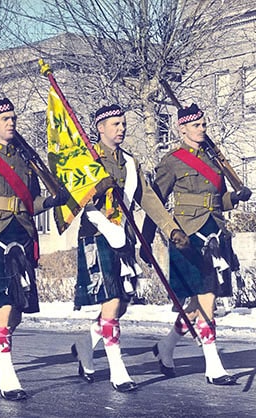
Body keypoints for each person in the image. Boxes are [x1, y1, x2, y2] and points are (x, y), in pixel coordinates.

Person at [70, 104, 189, 392]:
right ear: (100, 128)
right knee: (111, 303)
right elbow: (74, 199)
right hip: (96, 234)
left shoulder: (129, 162)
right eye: (115, 124)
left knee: (121, 304)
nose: (121, 128)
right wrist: (95, 189)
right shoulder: (87, 158)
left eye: (123, 123)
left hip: (125, 235)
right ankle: (117, 369)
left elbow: (147, 198)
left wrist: (170, 227)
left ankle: (86, 344)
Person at [140, 103, 252, 386]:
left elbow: (219, 202)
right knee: (207, 300)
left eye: (204, 124)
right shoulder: (172, 161)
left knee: (197, 303)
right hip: (187, 236)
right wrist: (147, 236)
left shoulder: (215, 161)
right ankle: (213, 365)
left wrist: (237, 197)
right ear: (183, 128)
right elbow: (156, 201)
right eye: (197, 125)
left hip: (215, 234)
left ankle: (166, 346)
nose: (202, 129)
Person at [0, 98, 69, 401]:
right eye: (4, 118)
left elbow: (32, 202)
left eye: (13, 117)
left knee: (17, 309)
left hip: (22, 233)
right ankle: (8, 376)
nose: (10, 122)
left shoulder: (25, 159)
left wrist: (52, 201)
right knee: (3, 306)